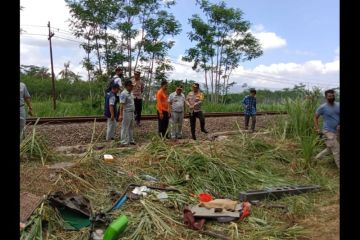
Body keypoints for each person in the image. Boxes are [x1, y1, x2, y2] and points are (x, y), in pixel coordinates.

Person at [314, 89, 340, 169]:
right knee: (337, 149)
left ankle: (315, 159)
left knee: (330, 148)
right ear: (326, 97)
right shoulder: (322, 107)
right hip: (327, 131)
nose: (331, 97)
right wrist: (317, 128)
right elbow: (315, 117)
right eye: (329, 96)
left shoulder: (338, 105)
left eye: (332, 96)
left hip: (337, 131)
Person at [118, 80, 136, 145]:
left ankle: (131, 140)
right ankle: (123, 141)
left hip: (131, 112)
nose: (132, 87)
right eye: (131, 86)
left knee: (131, 127)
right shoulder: (123, 93)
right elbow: (121, 104)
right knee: (125, 127)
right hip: (126, 112)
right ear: (127, 86)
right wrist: (120, 115)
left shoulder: (130, 93)